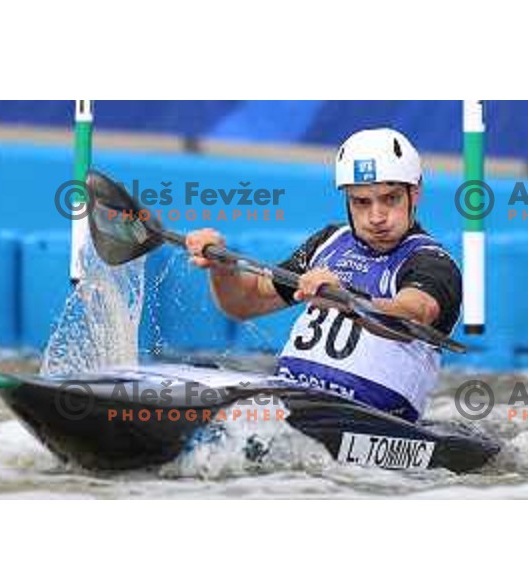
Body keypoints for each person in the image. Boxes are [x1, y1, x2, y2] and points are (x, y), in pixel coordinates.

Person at [185, 128, 461, 422]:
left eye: (389, 199)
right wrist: (222, 269)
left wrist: (349, 301)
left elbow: (416, 312)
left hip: (370, 420)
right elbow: (245, 302)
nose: (376, 216)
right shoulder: (328, 242)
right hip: (293, 401)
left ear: (414, 192)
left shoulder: (432, 262)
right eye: (361, 202)